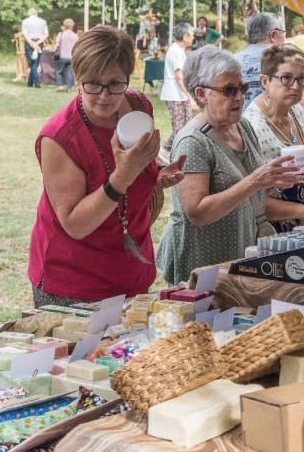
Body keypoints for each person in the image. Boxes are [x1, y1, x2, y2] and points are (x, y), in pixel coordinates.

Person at [29, 26, 186, 304]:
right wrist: (122, 176)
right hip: (74, 284)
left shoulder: (138, 107)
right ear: (77, 78)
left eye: (115, 83)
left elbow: (139, 169)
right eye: (92, 83)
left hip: (132, 271)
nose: (104, 95)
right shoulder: (59, 137)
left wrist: (156, 175)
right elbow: (75, 224)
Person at [156, 47, 304, 285]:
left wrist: (276, 181)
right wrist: (255, 181)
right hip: (204, 263)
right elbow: (197, 213)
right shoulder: (192, 141)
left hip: (240, 255)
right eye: (229, 90)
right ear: (201, 94)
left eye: (242, 88)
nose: (239, 97)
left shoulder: (243, 126)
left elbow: (254, 191)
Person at [243, 43, 304, 232]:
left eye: (301, 79)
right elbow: (248, 197)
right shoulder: (251, 126)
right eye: (286, 78)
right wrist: (302, 212)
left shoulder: (296, 110)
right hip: (276, 232)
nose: (296, 86)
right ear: (265, 81)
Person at [161, 22, 198, 156]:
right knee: (179, 128)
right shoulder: (175, 51)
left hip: (180, 94)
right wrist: (190, 96)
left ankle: (173, 152)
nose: (193, 38)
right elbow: (179, 77)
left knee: (186, 126)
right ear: (185, 36)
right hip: (174, 94)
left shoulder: (179, 50)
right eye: (191, 35)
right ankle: (166, 151)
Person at [237, 12, 285, 109]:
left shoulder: (231, 61)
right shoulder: (287, 61)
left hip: (239, 123)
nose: (284, 37)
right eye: (282, 32)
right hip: (275, 123)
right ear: (273, 35)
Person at [21, 7, 49, 88]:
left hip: (29, 42)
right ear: (36, 13)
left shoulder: (25, 21)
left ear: (28, 13)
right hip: (39, 43)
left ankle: (37, 83)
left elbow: (25, 34)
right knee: (36, 63)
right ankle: (30, 83)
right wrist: (38, 43)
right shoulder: (43, 21)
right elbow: (46, 34)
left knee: (32, 63)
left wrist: (31, 43)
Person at [53, 18, 78, 91]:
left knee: (59, 71)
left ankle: (60, 86)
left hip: (62, 56)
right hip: (71, 57)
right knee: (70, 72)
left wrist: (54, 51)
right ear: (72, 26)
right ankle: (69, 87)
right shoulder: (75, 35)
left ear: (64, 26)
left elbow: (57, 44)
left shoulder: (61, 34)